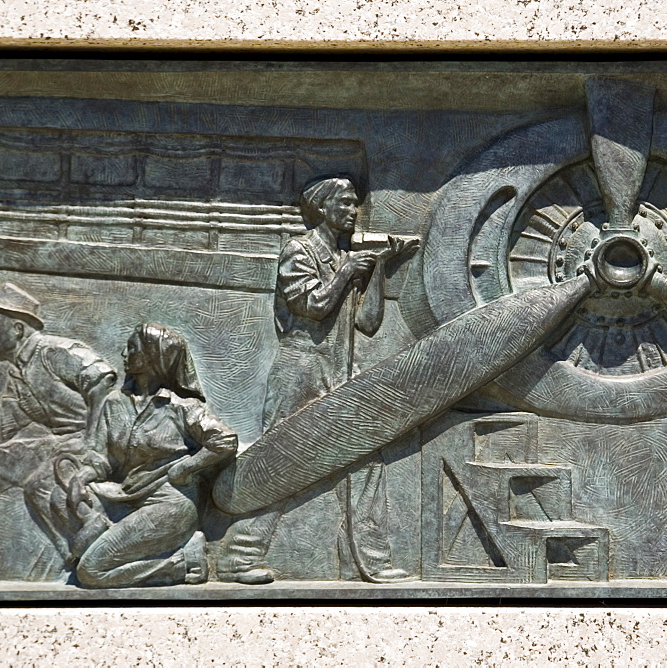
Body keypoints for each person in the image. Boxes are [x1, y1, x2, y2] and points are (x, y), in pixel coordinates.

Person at [216, 176, 418, 584]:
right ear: (323, 208)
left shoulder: (348, 257)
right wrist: (347, 271)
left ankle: (371, 562)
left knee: (366, 458)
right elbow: (310, 306)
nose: (352, 210)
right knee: (279, 461)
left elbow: (369, 323)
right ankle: (238, 559)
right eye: (344, 202)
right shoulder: (299, 250)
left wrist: (376, 268)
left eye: (355, 203)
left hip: (341, 370)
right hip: (301, 369)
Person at [0, 283, 116, 582]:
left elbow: (103, 383)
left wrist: (95, 445)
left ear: (17, 329)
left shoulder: (55, 351)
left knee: (38, 483)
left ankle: (89, 552)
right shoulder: (19, 373)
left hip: (93, 441)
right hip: (60, 444)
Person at [63, 323, 237, 588]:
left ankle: (182, 562)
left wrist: (187, 467)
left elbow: (224, 440)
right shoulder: (114, 403)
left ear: (153, 356)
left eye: (132, 348)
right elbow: (102, 457)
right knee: (54, 496)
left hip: (169, 505)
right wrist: (82, 476)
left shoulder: (182, 407)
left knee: (90, 572)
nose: (124, 353)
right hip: (124, 497)